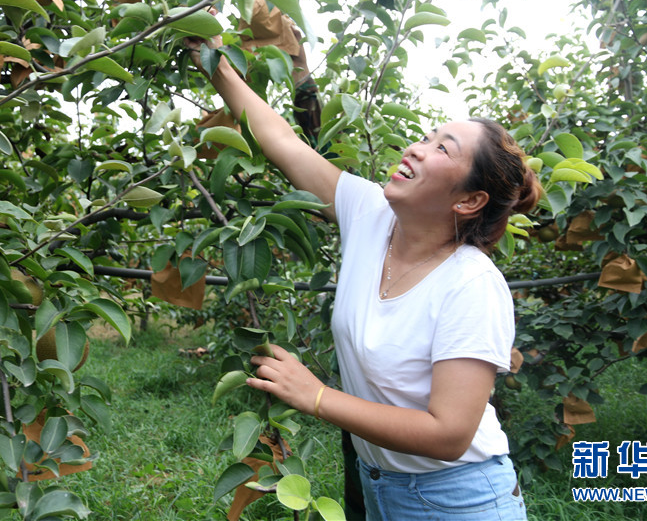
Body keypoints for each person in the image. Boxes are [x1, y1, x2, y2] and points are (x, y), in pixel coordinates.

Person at [188, 31, 541, 520]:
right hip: (382, 487)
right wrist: (214, 61)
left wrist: (315, 396)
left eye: (443, 149)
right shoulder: (370, 213)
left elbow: (450, 434)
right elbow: (282, 141)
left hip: (460, 498)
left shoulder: (472, 285)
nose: (417, 148)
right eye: (426, 136)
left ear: (468, 200)